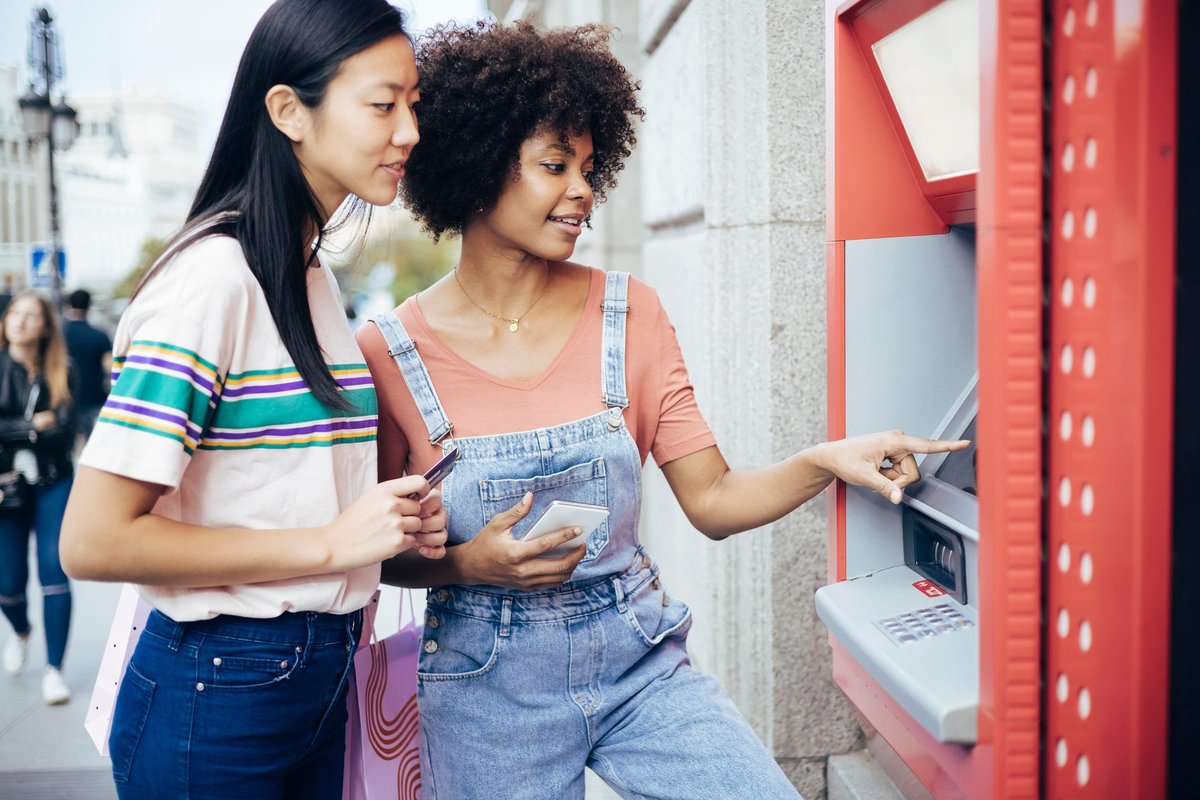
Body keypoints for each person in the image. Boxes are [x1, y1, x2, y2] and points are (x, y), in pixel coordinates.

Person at [356, 20, 970, 800]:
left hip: (639, 665)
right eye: (555, 165)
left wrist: (823, 460)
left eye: (587, 166)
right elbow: (373, 554)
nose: (583, 190)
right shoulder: (386, 351)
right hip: (482, 690)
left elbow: (711, 500)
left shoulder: (629, 314)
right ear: (476, 170)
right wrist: (471, 565)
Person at [58, 1, 446, 797]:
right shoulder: (212, 282)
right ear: (287, 111)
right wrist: (330, 543)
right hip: (221, 691)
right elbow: (93, 541)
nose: (409, 130)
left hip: (311, 676)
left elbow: (270, 486)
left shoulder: (308, 278)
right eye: (383, 104)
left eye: (414, 104)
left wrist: (387, 524)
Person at [0, 291, 77, 706]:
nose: (21, 320)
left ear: (46, 326)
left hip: (54, 481)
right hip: (5, 486)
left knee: (54, 573)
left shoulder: (61, 369)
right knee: (7, 586)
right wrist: (32, 425)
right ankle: (21, 630)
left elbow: (65, 432)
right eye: (15, 313)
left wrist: (13, 426)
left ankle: (54, 671)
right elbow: (42, 427)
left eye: (32, 315)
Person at [61, 288, 113, 446]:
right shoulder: (99, 335)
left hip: (64, 400)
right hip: (93, 399)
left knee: (66, 448)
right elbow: (109, 367)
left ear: (69, 305)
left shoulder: (59, 334)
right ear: (89, 306)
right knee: (92, 448)